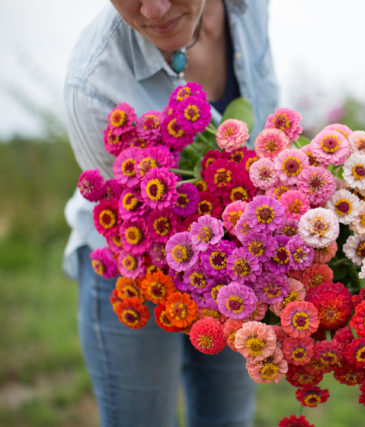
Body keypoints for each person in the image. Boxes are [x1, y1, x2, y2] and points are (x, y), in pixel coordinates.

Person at [62, 1, 278, 426]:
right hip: (137, 266)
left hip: (240, 257)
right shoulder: (93, 86)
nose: (154, 9)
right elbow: (138, 226)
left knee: (229, 418)